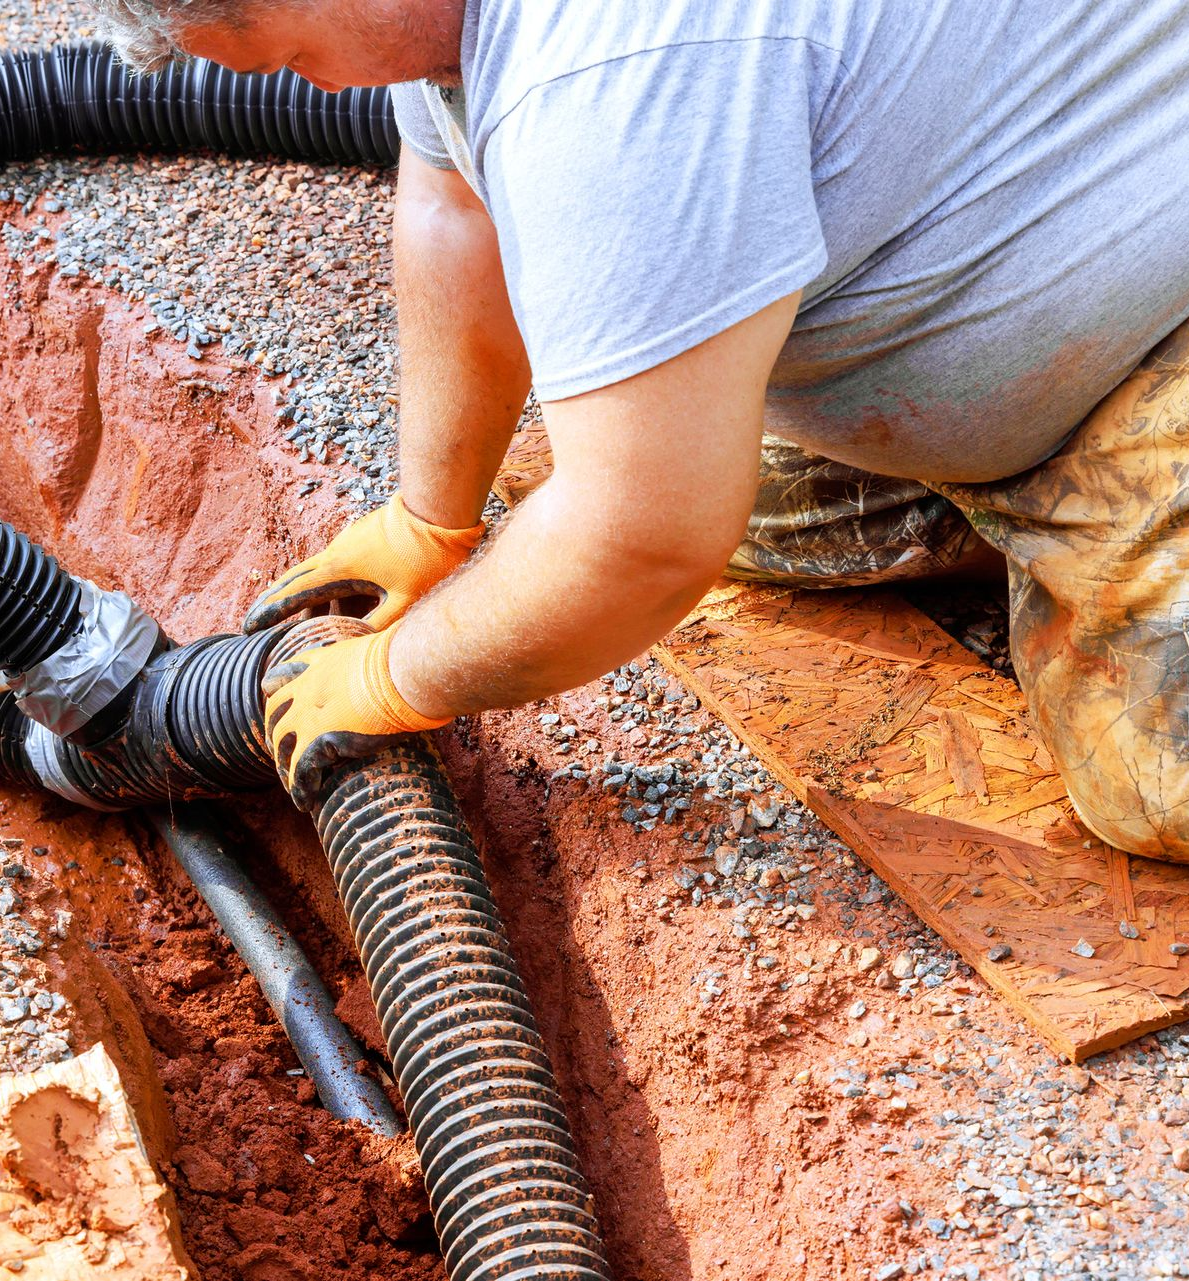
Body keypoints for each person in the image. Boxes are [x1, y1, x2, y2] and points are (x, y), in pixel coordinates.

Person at [93, 0, 1189, 860]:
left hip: (1155, 322)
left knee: (1154, 779)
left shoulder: (610, 80)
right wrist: (431, 518)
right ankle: (1003, 494)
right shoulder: (445, 28)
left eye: (285, 58)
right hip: (1010, 256)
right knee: (607, 485)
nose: (307, 83)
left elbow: (643, 540)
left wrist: (397, 683)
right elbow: (453, 206)